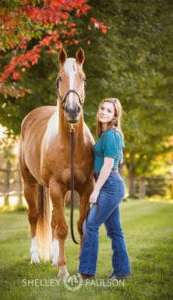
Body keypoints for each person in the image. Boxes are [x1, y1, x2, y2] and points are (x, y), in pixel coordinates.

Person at [78, 98, 131, 280]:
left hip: (109, 184)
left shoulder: (111, 135)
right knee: (115, 230)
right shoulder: (107, 134)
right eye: (102, 108)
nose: (103, 112)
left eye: (109, 111)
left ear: (115, 116)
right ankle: (122, 271)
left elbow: (109, 164)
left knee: (90, 226)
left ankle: (86, 272)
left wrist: (96, 190)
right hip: (111, 184)